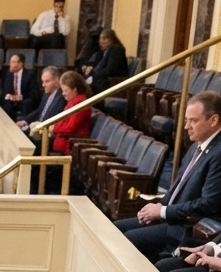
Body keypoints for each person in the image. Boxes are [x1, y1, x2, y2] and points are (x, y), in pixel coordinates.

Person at [114, 92, 221, 260]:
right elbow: (178, 187)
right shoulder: (197, 146)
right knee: (114, 228)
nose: (186, 127)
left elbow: (209, 204)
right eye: (186, 120)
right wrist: (157, 208)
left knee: (127, 240)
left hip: (185, 225)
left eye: (193, 121)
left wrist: (163, 211)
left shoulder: (219, 152)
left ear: (213, 120)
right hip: (172, 216)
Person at [49, 71, 92, 155]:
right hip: (61, 143)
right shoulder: (73, 102)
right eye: (62, 90)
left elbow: (70, 128)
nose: (63, 94)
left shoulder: (80, 105)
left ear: (75, 90)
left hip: (68, 147)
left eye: (65, 90)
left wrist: (54, 128)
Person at [17, 66, 66, 135]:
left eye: (47, 81)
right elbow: (39, 111)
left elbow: (53, 120)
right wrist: (25, 120)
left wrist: (36, 126)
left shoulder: (62, 97)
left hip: (46, 133)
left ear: (57, 80)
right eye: (43, 82)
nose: (43, 85)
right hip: (37, 126)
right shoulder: (46, 93)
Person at [82, 28, 128, 94]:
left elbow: (110, 70)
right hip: (102, 80)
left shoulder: (116, 49)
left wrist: (93, 72)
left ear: (111, 40)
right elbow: (97, 65)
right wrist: (89, 68)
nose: (101, 41)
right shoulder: (104, 51)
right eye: (100, 38)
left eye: (104, 39)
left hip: (113, 83)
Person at [1, 53, 36, 122]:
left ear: (20, 64)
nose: (11, 64)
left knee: (26, 104)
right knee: (5, 104)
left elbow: (32, 93)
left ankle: (23, 125)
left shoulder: (30, 75)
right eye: (11, 62)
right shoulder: (8, 75)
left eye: (13, 62)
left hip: (24, 99)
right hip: (12, 101)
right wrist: (10, 96)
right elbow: (5, 91)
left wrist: (20, 97)